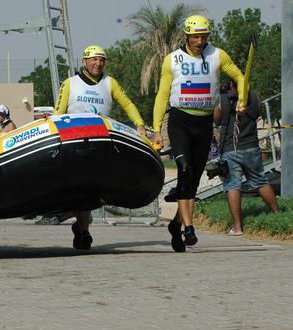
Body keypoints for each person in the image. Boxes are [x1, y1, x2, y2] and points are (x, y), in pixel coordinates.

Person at [152, 15, 246, 252]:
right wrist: (156, 130)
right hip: (180, 121)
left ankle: (176, 225)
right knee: (184, 170)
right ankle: (189, 228)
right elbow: (162, 96)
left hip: (203, 124)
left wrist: (242, 101)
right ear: (187, 36)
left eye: (204, 36)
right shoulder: (172, 60)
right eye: (195, 37)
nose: (200, 41)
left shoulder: (217, 55)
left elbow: (240, 77)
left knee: (192, 181)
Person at [54, 44, 147, 250]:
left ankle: (82, 227)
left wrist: (140, 125)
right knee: (80, 190)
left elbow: (128, 104)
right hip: (74, 144)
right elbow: (58, 112)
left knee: (90, 190)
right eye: (94, 59)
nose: (98, 63)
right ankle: (84, 230)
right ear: (85, 61)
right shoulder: (70, 83)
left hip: (99, 146)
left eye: (102, 60)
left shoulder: (109, 83)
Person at [214, 81, 278, 235]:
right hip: (252, 147)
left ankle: (237, 227)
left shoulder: (222, 99)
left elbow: (216, 120)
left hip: (231, 148)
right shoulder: (256, 97)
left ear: (231, 85)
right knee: (260, 181)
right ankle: (277, 214)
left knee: (232, 185)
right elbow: (257, 114)